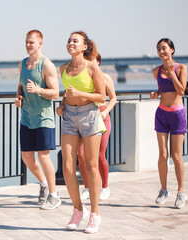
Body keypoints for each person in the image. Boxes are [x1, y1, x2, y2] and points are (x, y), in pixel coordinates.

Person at [55, 31, 106, 234]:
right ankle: (78, 210)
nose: (71, 43)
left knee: (91, 165)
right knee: (68, 166)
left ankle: (94, 214)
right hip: (69, 116)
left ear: (84, 46)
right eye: (69, 40)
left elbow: (102, 97)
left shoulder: (92, 67)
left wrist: (80, 94)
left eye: (75, 41)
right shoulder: (63, 68)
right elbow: (68, 92)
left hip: (90, 115)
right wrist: (62, 104)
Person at [15, 30, 61, 210]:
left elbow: (55, 92)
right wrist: (18, 98)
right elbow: (19, 87)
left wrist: (38, 90)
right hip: (26, 118)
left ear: (40, 43)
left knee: (43, 156)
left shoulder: (47, 65)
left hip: (44, 118)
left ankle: (54, 195)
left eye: (31, 42)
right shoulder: (22, 64)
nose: (28, 45)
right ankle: (42, 184)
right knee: (26, 156)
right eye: (26, 42)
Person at [150, 38, 188, 208]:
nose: (161, 51)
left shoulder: (181, 68)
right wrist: (155, 93)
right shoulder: (156, 71)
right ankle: (163, 189)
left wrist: (172, 72)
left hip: (177, 115)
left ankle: (181, 191)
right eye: (158, 49)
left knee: (176, 155)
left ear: (172, 49)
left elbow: (181, 90)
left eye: (164, 48)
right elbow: (163, 88)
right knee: (163, 155)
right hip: (161, 114)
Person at [78, 53, 117, 201]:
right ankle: (87, 188)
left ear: (98, 62)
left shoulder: (105, 78)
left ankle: (105, 187)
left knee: (100, 155)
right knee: (81, 155)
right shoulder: (84, 77)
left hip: (101, 117)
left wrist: (105, 112)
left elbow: (113, 98)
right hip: (85, 117)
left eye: (93, 60)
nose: (90, 63)